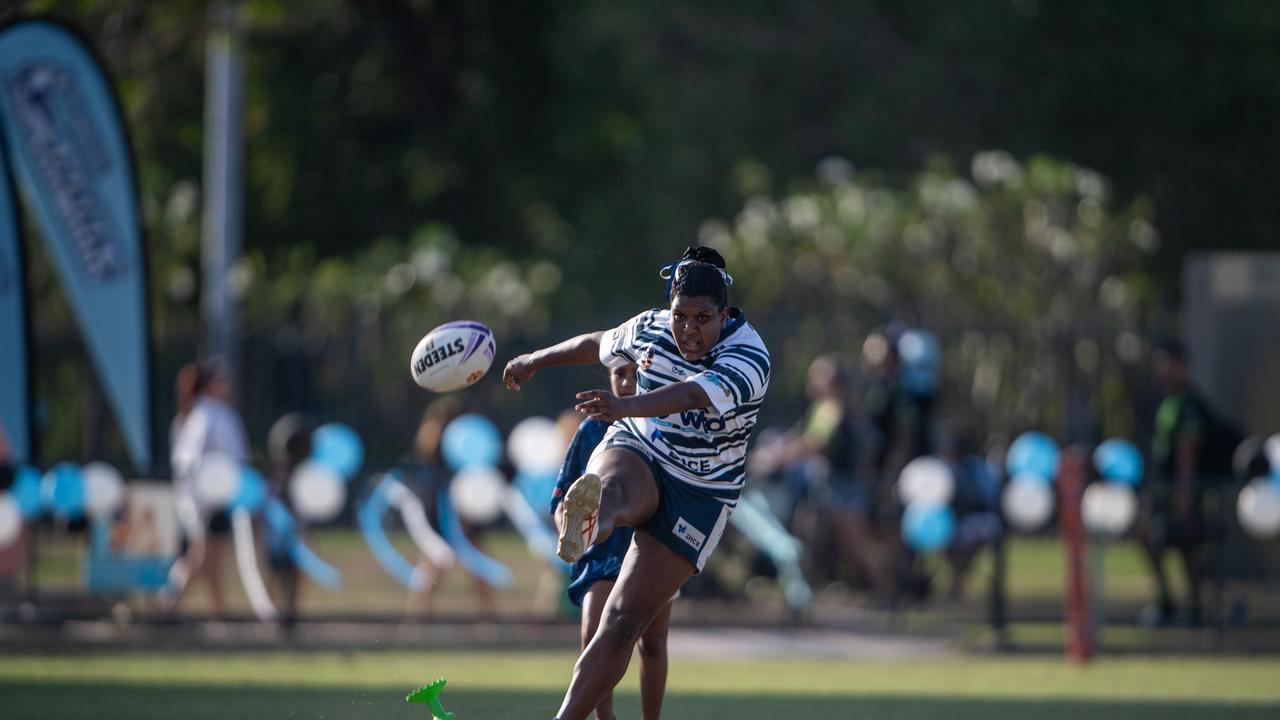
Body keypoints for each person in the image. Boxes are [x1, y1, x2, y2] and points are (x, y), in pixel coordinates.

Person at [503, 246, 770, 720]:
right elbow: (597, 343)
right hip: (643, 449)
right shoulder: (649, 326)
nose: (688, 329)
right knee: (615, 487)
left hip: (701, 492)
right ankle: (594, 517)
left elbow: (690, 393)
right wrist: (534, 360)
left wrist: (622, 405)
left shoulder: (749, 355)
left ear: (724, 315)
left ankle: (595, 521)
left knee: (625, 623)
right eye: (679, 316)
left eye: (702, 319)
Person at [551, 362, 671, 720]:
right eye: (620, 374)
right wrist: (567, 524)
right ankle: (606, 718)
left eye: (637, 374)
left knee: (652, 643)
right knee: (594, 633)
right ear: (609, 379)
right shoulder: (592, 429)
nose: (628, 382)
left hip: (653, 546)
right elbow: (562, 499)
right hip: (602, 552)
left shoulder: (666, 426)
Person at [1139, 340, 1233, 627]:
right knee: (1152, 538)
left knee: (1186, 546)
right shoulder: (1168, 403)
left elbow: (1187, 455)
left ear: (1181, 365)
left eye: (1168, 363)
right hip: (1163, 492)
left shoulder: (1189, 406)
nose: (1162, 370)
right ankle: (1168, 601)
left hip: (1185, 494)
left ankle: (1194, 608)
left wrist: (1184, 498)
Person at [167, 357, 250, 616]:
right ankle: (167, 603)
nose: (227, 384)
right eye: (221, 379)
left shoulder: (214, 412)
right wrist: (207, 491)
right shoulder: (205, 415)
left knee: (212, 559)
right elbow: (189, 462)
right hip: (204, 501)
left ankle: (219, 612)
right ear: (209, 384)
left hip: (219, 498)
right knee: (201, 557)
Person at [264, 412, 317, 628]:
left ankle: (291, 615)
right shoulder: (276, 480)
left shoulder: (305, 477)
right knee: (276, 574)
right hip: (277, 536)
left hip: (295, 535)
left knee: (293, 575)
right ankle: (273, 616)